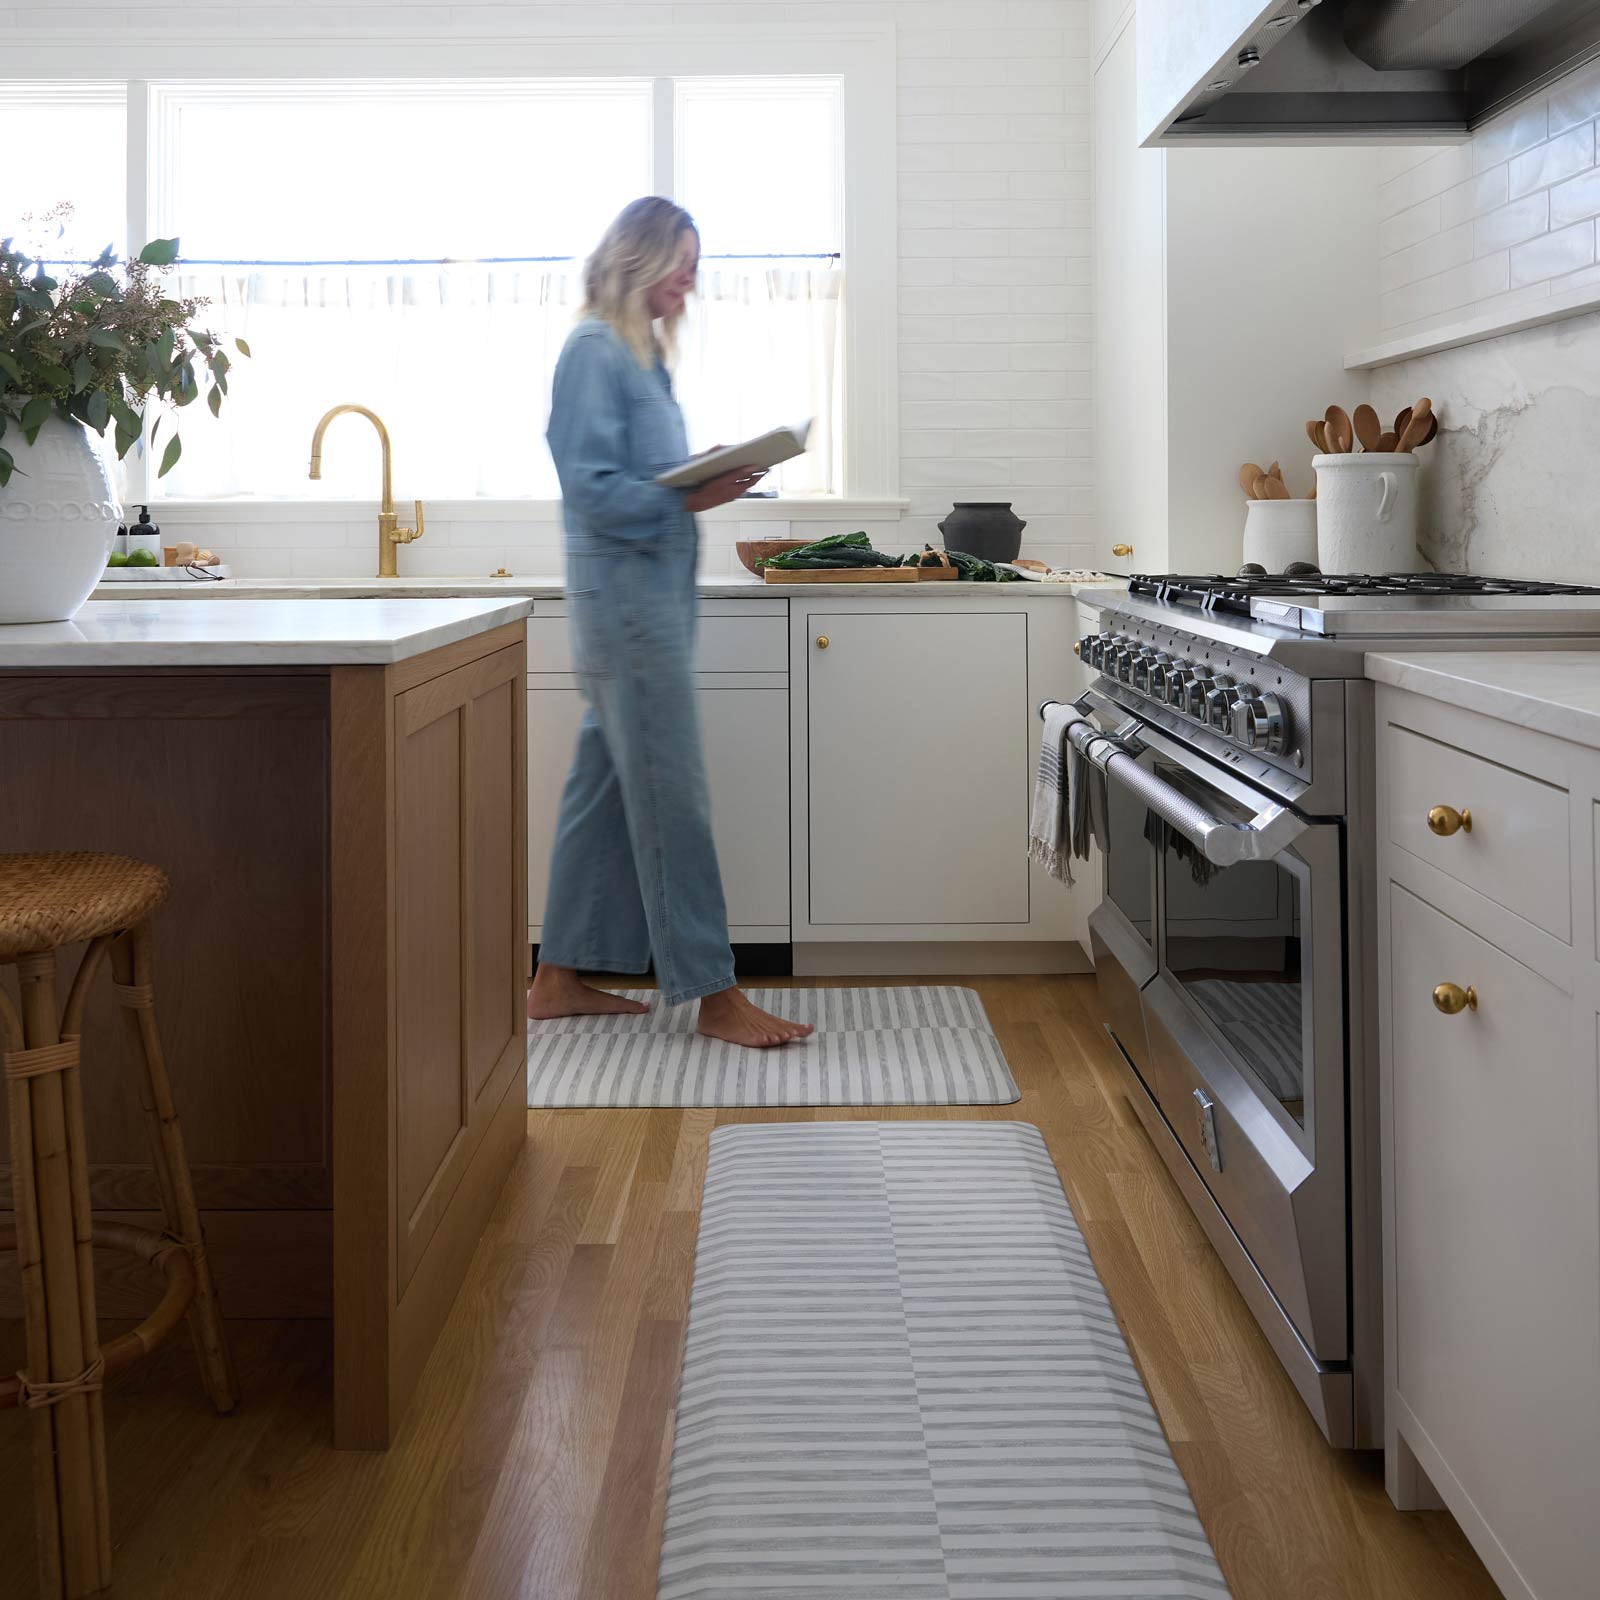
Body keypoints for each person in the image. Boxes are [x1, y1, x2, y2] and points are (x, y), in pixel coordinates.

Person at [527, 197, 815, 1049]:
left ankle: (555, 979)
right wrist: (691, 492)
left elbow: (639, 480)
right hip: (627, 618)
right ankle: (714, 994)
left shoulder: (641, 355)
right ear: (640, 258)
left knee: (606, 791)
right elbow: (589, 487)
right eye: (682, 262)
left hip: (650, 610)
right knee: (673, 800)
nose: (693, 279)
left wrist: (699, 476)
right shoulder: (592, 350)